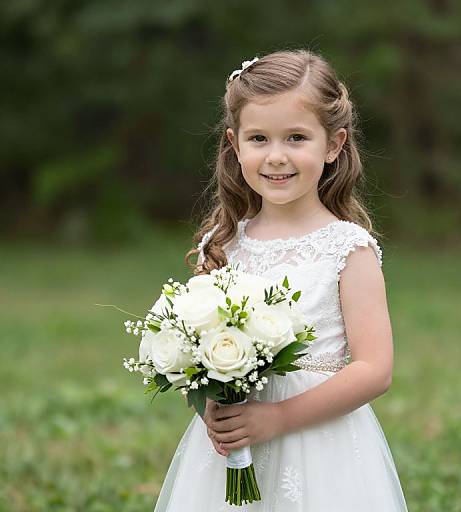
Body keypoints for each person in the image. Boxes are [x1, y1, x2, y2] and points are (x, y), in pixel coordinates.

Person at [154, 49, 408, 511]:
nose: (276, 156)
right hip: (235, 446)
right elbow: (202, 344)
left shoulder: (347, 249)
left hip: (320, 444)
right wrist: (211, 398)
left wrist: (279, 418)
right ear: (234, 144)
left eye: (296, 137)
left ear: (333, 145)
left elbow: (375, 369)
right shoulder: (224, 241)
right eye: (258, 138)